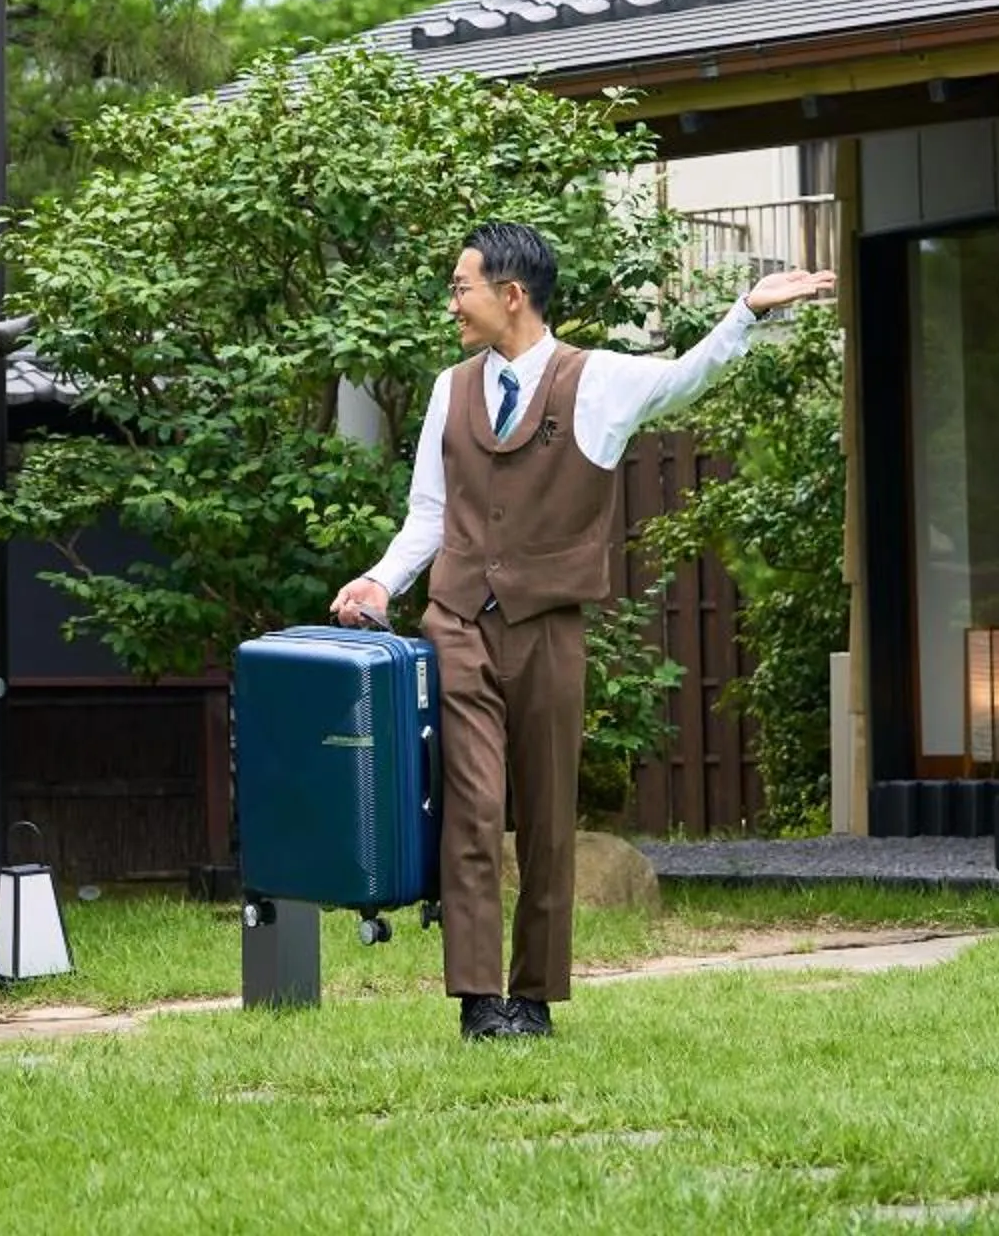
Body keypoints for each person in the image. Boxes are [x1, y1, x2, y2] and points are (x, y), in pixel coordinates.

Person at [331, 222, 832, 1042]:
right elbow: (430, 513)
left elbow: (684, 377)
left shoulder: (595, 381)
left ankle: (532, 997)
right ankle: (476, 1000)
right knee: (473, 805)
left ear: (511, 295)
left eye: (462, 288)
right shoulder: (447, 389)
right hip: (457, 620)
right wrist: (382, 580)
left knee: (548, 815)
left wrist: (746, 311)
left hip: (548, 629)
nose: (452, 303)